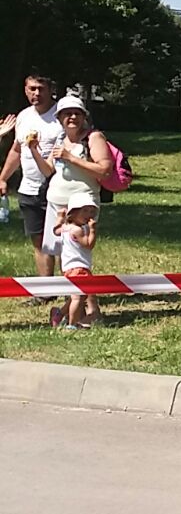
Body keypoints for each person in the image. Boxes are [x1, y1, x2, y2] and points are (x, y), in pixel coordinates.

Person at [35, 94, 112, 325]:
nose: (72, 117)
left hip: (82, 207)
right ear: (59, 118)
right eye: (67, 113)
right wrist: (33, 150)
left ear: (84, 116)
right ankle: (71, 310)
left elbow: (104, 170)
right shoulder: (60, 139)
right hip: (57, 206)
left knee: (80, 260)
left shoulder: (93, 137)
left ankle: (90, 309)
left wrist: (71, 157)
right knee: (67, 260)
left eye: (77, 113)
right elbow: (49, 171)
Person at [0, 74, 65, 292]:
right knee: (39, 241)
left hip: (57, 188)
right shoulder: (24, 116)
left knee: (63, 240)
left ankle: (70, 291)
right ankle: (46, 291)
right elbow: (16, 150)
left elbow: (55, 163)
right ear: (25, 90)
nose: (36, 93)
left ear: (50, 89)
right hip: (28, 188)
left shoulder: (61, 117)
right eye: (32, 89)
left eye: (41, 89)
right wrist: (3, 178)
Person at [51, 195, 98, 329]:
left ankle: (59, 314)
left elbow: (56, 230)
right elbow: (88, 244)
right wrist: (93, 231)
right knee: (78, 297)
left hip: (69, 267)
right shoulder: (78, 230)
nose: (89, 215)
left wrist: (60, 217)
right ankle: (72, 325)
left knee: (76, 296)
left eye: (91, 211)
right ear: (74, 212)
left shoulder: (66, 227)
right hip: (79, 267)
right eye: (85, 211)